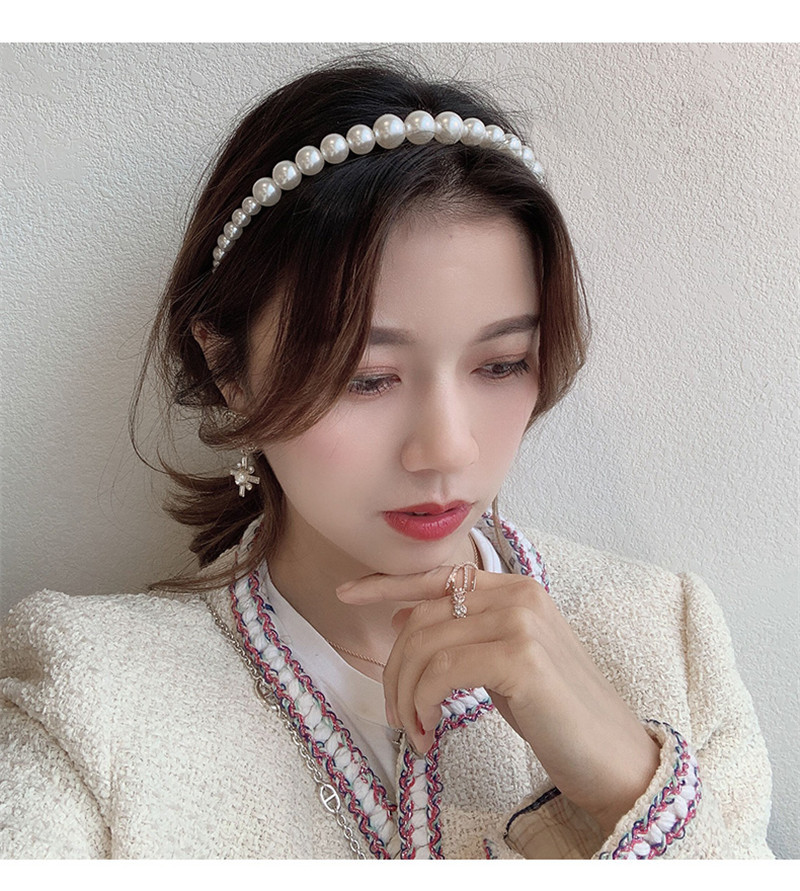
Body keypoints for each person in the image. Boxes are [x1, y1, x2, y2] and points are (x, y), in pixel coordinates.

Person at [0, 60, 772, 860]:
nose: (447, 447)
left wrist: (627, 784)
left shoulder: (666, 636)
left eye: (501, 363)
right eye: (365, 377)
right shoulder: (89, 697)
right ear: (228, 367)